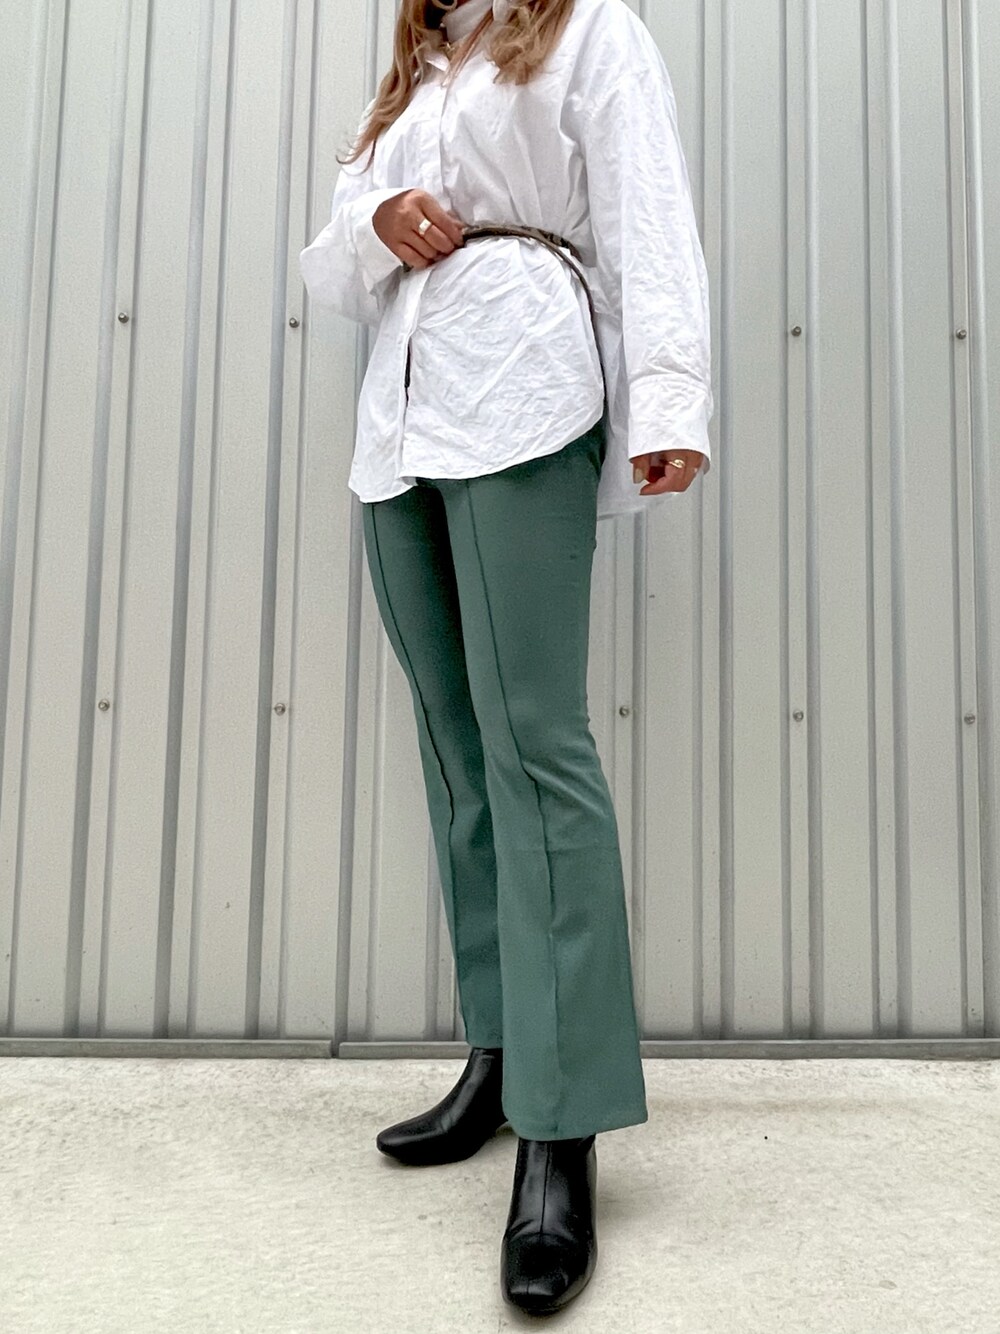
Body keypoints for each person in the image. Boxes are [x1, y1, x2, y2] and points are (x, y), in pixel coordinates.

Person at [298, 0, 713, 1316]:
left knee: (536, 748)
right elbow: (332, 257)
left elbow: (648, 211)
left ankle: (562, 1122)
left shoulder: (592, 31)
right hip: (401, 420)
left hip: (525, 386)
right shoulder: (417, 71)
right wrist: (376, 221)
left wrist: (671, 397)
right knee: (458, 753)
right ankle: (498, 1053)